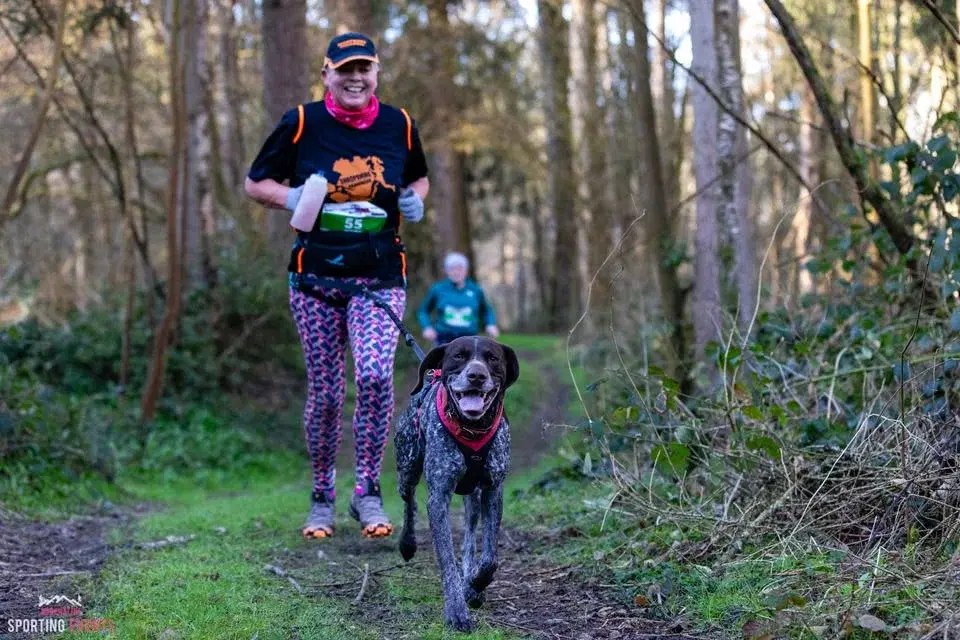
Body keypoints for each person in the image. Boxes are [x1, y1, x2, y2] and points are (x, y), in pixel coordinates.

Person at [244, 32, 429, 540]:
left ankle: (367, 491)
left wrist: (414, 200)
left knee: (373, 377)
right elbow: (256, 183)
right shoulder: (301, 123)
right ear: (326, 73)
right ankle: (322, 495)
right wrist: (295, 198)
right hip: (315, 280)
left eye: (363, 68)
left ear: (376, 73)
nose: (354, 77)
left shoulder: (400, 124)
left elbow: (418, 178)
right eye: (344, 69)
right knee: (327, 393)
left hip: (380, 278)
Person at [417, 252, 500, 346]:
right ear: (447, 271)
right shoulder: (438, 289)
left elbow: (487, 310)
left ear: (466, 270)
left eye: (459, 268)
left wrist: (491, 324)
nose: (456, 272)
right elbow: (423, 311)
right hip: (444, 339)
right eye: (452, 269)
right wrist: (427, 327)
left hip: (469, 339)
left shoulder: (475, 290)